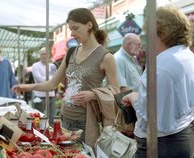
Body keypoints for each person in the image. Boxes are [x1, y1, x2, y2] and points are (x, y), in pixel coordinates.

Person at [12, 8, 119, 144]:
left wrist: (93, 94)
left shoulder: (106, 57)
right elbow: (52, 84)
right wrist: (27, 87)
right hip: (64, 119)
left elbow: (115, 91)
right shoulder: (71, 52)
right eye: (70, 29)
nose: (72, 34)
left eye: (75, 28)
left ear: (89, 25)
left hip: (86, 122)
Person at [122, 5, 194, 158]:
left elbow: (148, 112)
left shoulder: (160, 64)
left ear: (159, 32)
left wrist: (133, 96)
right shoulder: (187, 55)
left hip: (158, 143)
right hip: (183, 136)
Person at [31, 47, 57, 125]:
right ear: (39, 55)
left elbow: (55, 78)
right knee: (38, 118)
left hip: (51, 95)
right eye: (42, 54)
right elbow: (39, 79)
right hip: (39, 95)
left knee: (52, 117)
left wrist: (50, 80)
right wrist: (51, 80)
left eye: (46, 54)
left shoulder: (52, 66)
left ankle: (51, 134)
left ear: (49, 55)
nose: (44, 56)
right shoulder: (35, 65)